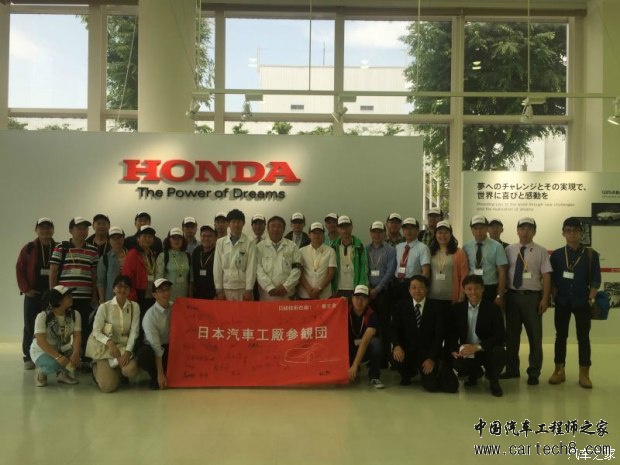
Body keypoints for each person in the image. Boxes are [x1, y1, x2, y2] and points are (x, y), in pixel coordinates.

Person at [549, 217, 601, 388]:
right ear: (563, 233)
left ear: (581, 233)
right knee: (560, 337)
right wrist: (554, 296)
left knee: (583, 338)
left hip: (582, 302)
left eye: (576, 230)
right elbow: (552, 279)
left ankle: (584, 373)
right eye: (568, 230)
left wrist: (591, 299)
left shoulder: (591, 255)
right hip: (562, 302)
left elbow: (596, 280)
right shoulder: (556, 255)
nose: (572, 233)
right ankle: (559, 370)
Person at [501, 217, 552, 386]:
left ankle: (534, 372)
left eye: (529, 228)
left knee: (535, 337)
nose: (525, 231)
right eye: (522, 228)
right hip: (512, 297)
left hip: (532, 298)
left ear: (534, 231)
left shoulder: (541, 251)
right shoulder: (509, 249)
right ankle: (512, 369)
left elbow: (546, 276)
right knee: (511, 337)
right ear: (517, 231)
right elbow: (503, 272)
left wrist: (545, 299)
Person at [391, 275, 455, 392]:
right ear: (409, 290)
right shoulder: (401, 306)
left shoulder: (436, 307)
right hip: (408, 351)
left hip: (427, 353)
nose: (417, 291)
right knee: (395, 358)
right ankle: (408, 374)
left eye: (421, 287)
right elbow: (395, 329)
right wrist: (396, 346)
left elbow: (439, 336)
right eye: (414, 287)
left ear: (427, 289)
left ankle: (430, 371)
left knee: (432, 386)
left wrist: (431, 358)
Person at [447, 275, 506, 397]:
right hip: (467, 350)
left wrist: (477, 347)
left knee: (499, 352)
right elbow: (451, 333)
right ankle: (474, 373)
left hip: (485, 349)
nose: (473, 292)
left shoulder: (493, 309)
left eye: (477, 288)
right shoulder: (457, 309)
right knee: (457, 363)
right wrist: (454, 349)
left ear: (483, 289)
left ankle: (493, 380)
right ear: (464, 290)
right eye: (469, 289)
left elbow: (500, 336)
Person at [49, 217, 98, 358]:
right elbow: (53, 271)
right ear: (71, 230)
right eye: (79, 228)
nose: (83, 231)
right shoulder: (61, 247)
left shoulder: (93, 250)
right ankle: (60, 357)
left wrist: (94, 296)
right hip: (64, 298)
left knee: (84, 328)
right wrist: (54, 294)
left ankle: (82, 357)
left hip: (85, 298)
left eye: (85, 228)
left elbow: (94, 275)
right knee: (61, 328)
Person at [16, 217, 57, 370]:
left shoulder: (58, 247)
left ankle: (51, 354)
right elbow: (20, 269)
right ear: (36, 230)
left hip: (52, 296)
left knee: (52, 326)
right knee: (30, 325)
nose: (45, 230)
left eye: (48, 227)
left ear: (53, 230)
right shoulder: (29, 248)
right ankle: (28, 356)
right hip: (33, 294)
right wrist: (26, 289)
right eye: (42, 228)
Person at [88, 275, 140, 393]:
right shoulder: (104, 307)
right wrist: (109, 343)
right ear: (113, 289)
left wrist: (128, 351)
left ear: (129, 290)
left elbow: (134, 331)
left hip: (123, 347)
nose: (122, 289)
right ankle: (96, 368)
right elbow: (96, 331)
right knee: (108, 387)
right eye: (119, 286)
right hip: (105, 347)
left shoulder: (134, 307)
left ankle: (116, 371)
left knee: (131, 370)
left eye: (126, 287)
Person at [30, 285, 81, 387]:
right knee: (54, 364)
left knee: (77, 353)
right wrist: (58, 357)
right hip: (42, 350)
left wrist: (76, 353)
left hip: (60, 348)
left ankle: (62, 375)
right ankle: (41, 371)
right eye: (68, 296)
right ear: (59, 301)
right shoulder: (43, 316)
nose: (71, 297)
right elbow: (40, 341)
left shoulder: (75, 314)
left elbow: (77, 336)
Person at [366, 220, 396, 367]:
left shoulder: (390, 250)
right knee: (372, 326)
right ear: (370, 233)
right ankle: (374, 359)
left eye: (380, 232)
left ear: (384, 233)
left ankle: (385, 359)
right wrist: (368, 288)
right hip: (368, 292)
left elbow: (390, 272)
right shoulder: (366, 249)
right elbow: (363, 269)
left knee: (385, 326)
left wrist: (377, 289)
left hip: (383, 292)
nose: (377, 235)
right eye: (374, 232)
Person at [462, 215, 508, 305]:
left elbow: (502, 272)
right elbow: (464, 270)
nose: (478, 231)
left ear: (487, 228)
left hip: (490, 288)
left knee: (490, 313)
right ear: (471, 230)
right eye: (475, 228)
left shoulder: (497, 246)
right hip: (472, 288)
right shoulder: (466, 247)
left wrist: (500, 295)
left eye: (482, 228)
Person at [136, 279, 173, 390]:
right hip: (154, 349)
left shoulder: (175, 306)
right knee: (143, 354)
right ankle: (155, 376)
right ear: (154, 295)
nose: (166, 293)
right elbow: (156, 347)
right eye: (161, 290)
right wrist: (160, 374)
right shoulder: (150, 316)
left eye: (168, 289)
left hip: (169, 347)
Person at [213, 209, 257, 301]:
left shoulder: (250, 242)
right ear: (228, 224)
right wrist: (219, 290)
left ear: (243, 223)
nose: (236, 225)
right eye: (233, 222)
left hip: (243, 288)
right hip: (225, 288)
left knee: (244, 311)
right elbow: (217, 267)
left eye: (239, 222)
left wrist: (249, 290)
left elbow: (251, 267)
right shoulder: (220, 242)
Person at [427, 221, 469, 317]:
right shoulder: (430, 251)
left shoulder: (459, 252)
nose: (443, 235)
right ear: (435, 234)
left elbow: (464, 275)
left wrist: (462, 295)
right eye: (440, 232)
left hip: (452, 298)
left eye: (446, 232)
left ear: (451, 234)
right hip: (432, 296)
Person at [256, 215, 302, 301]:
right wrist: (269, 287)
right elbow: (258, 270)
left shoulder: (292, 246)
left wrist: (286, 287)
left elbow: (297, 269)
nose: (276, 229)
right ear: (267, 229)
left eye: (279, 226)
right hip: (266, 296)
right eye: (273, 226)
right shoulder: (259, 247)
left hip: (287, 295)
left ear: (284, 229)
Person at [348, 285, 385, 389]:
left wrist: (355, 365)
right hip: (348, 348)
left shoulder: (372, 315)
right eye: (357, 298)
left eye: (363, 299)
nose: (359, 302)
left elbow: (365, 341)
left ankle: (374, 376)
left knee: (376, 343)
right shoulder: (344, 311)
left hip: (365, 348)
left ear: (368, 301)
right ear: (352, 298)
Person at [122, 224, 158, 319]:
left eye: (150, 237)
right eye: (144, 236)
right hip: (138, 295)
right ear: (138, 238)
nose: (147, 239)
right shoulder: (133, 254)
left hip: (151, 294)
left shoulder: (152, 254)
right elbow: (128, 277)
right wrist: (132, 298)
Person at [393, 217, 431, 301]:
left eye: (411, 228)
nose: (408, 231)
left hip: (412, 285)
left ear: (417, 230)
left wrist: (416, 287)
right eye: (406, 228)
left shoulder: (423, 248)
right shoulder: (398, 247)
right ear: (403, 230)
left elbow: (426, 273)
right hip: (397, 283)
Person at [331, 215, 368, 300]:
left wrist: (360, 287)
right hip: (338, 289)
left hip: (355, 288)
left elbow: (363, 268)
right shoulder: (333, 247)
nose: (345, 230)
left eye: (347, 226)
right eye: (342, 227)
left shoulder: (359, 246)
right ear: (337, 229)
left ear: (351, 227)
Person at [298, 222, 336, 299]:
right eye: (314, 233)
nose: (317, 235)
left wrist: (319, 289)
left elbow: (331, 273)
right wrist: (309, 289)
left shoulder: (330, 251)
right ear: (309, 235)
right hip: (305, 294)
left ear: (323, 235)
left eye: (319, 233)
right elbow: (299, 272)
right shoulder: (301, 251)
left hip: (324, 295)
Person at [156, 227, 191, 302]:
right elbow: (158, 280)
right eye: (173, 238)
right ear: (169, 240)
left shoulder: (187, 256)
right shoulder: (163, 256)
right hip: (167, 298)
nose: (176, 240)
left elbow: (191, 279)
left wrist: (190, 296)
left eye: (179, 238)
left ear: (183, 240)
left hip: (184, 297)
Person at [97, 226, 127, 302]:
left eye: (119, 237)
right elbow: (100, 282)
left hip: (130, 299)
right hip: (111, 300)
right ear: (108, 240)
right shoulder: (104, 259)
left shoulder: (131, 256)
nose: (117, 240)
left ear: (124, 239)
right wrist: (102, 302)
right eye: (113, 238)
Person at [191, 225, 217, 299]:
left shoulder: (219, 252)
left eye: (210, 236)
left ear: (216, 238)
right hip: (197, 294)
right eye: (204, 235)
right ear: (200, 237)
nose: (206, 238)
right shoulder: (196, 251)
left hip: (213, 295)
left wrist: (218, 293)